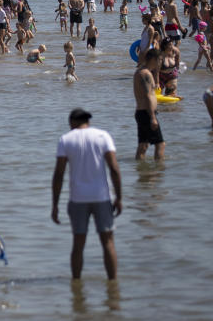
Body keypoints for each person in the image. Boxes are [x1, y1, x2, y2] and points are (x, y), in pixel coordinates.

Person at [51, 108, 122, 280]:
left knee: (78, 244)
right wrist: (119, 197)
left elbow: (59, 174)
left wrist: (55, 205)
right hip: (102, 197)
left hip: (77, 199)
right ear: (87, 121)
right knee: (108, 243)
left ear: (72, 122)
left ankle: (76, 284)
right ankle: (113, 285)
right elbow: (114, 168)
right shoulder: (103, 136)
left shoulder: (66, 139)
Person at [134, 49, 165, 160]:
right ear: (153, 59)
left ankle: (143, 174)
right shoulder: (145, 74)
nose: (161, 62)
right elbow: (148, 96)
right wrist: (152, 117)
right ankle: (159, 173)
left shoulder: (142, 72)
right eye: (160, 60)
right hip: (147, 113)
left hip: (142, 112)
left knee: (143, 145)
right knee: (160, 144)